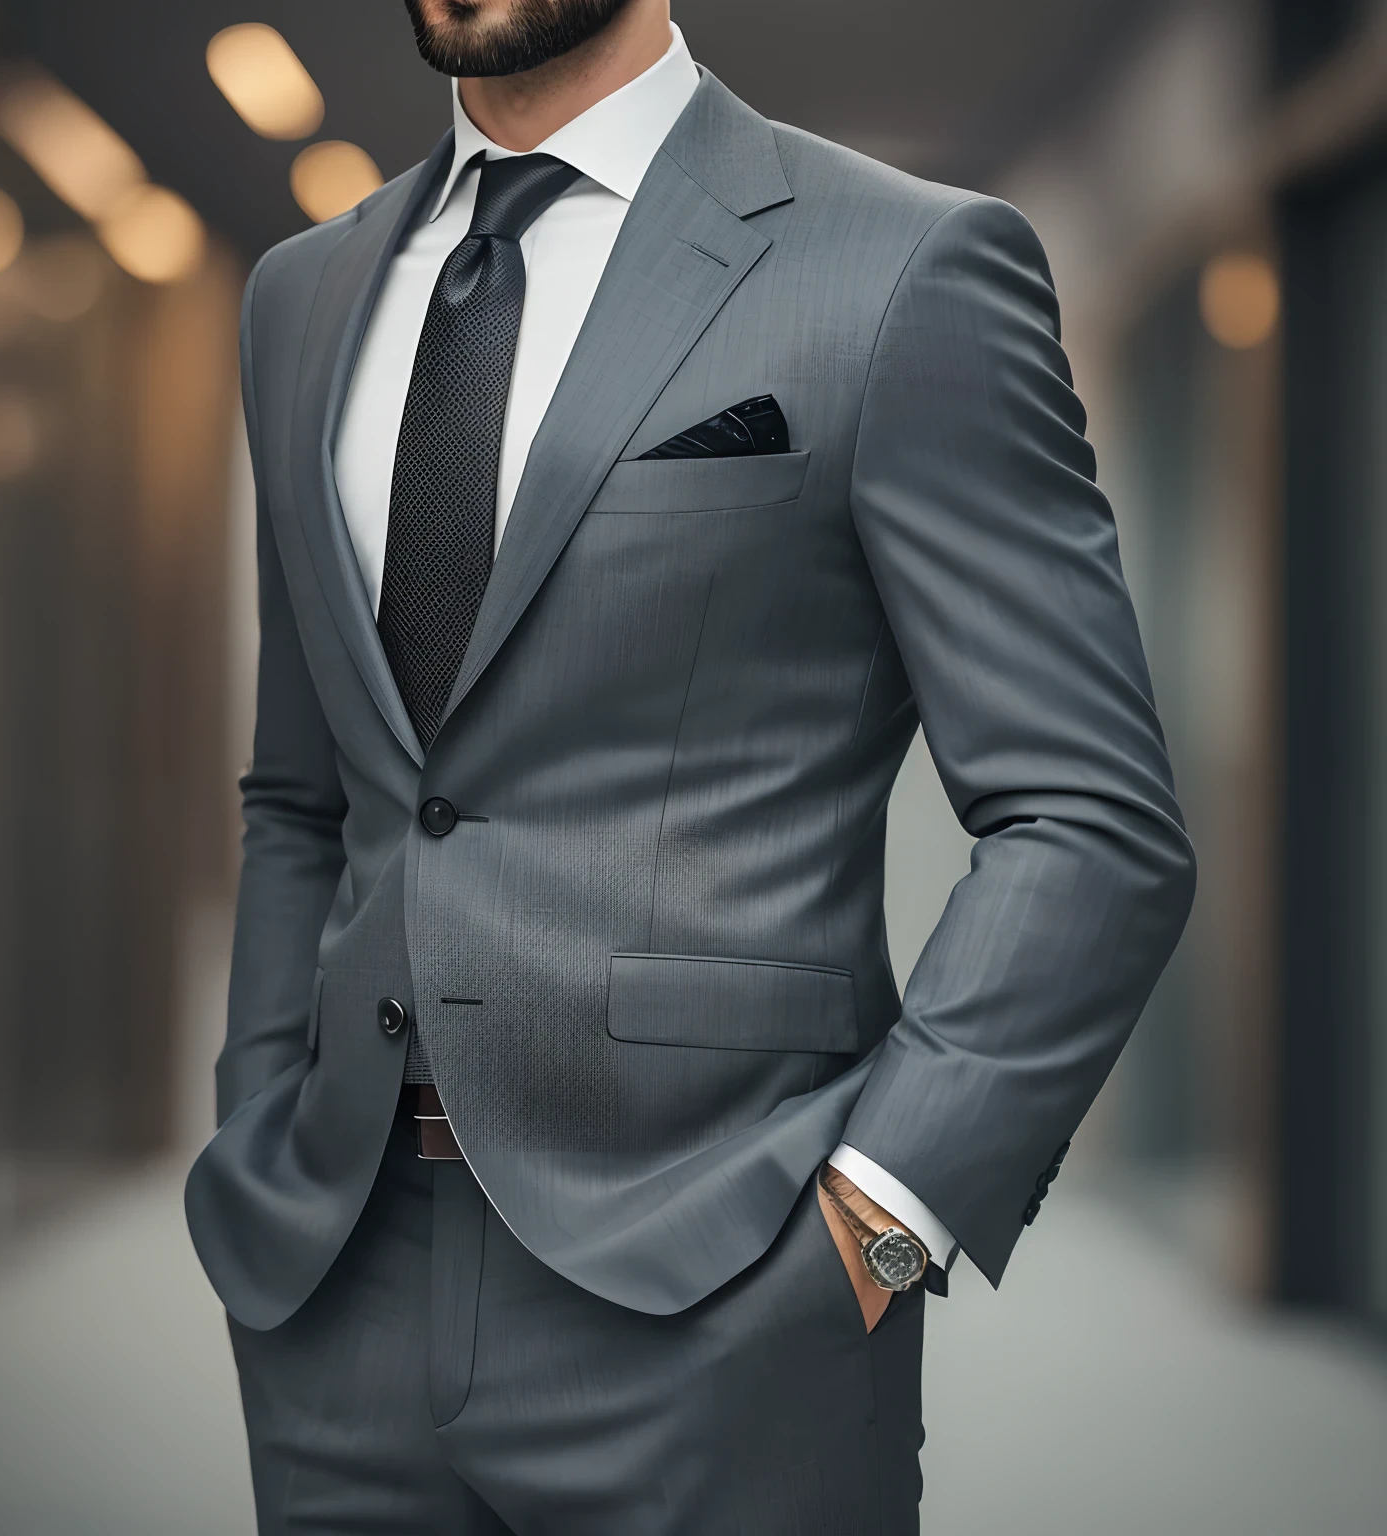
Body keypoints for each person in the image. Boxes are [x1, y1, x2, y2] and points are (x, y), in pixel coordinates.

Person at [185, 1, 1196, 1530]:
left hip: (724, 1297)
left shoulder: (902, 265)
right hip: (335, 1285)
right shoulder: (300, 298)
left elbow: (1090, 819)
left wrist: (878, 1228)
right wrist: (258, 1115)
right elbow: (303, 793)